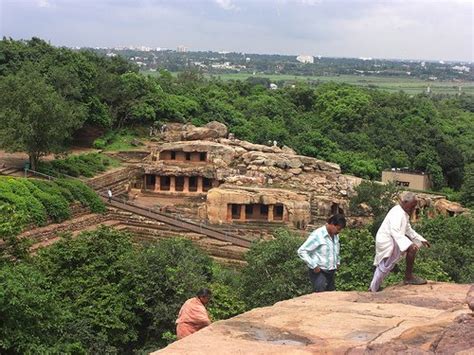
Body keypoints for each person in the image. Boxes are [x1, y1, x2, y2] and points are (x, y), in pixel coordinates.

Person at [369, 191, 431, 292]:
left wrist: (421, 239)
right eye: (411, 207)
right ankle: (408, 277)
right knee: (385, 266)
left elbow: (408, 229)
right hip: (387, 241)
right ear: (405, 202)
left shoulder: (404, 213)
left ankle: (374, 287)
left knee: (385, 266)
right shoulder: (397, 213)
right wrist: (409, 245)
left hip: (393, 240)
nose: (412, 209)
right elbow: (395, 232)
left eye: (414, 207)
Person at [297, 214, 347, 292]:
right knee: (320, 294)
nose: (339, 231)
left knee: (331, 296)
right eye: (338, 229)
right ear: (332, 224)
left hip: (331, 271)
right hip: (320, 272)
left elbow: (336, 249)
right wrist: (314, 265)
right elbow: (302, 251)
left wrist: (337, 261)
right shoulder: (318, 235)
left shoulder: (335, 235)